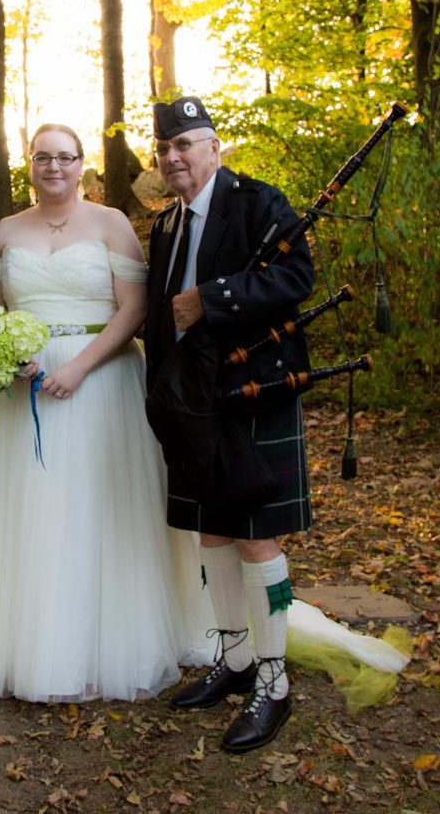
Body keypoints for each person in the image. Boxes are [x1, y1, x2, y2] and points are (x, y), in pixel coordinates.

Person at [0, 123, 212, 704]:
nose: (53, 166)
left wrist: (79, 366)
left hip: (102, 380)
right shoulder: (5, 230)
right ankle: (25, 644)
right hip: (22, 388)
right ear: (29, 165)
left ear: (83, 165)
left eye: (65, 157)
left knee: (98, 509)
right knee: (31, 513)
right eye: (42, 157)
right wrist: (4, 348)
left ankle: (111, 642)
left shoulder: (111, 224)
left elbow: (133, 310)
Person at [144, 95, 316, 753]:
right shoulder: (167, 224)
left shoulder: (260, 203)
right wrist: (161, 396)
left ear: (215, 147)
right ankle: (236, 661)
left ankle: (273, 682)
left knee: (257, 538)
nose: (174, 157)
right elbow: (163, 319)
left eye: (186, 143)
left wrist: (210, 299)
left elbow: (298, 277)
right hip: (191, 399)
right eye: (166, 148)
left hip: (253, 389)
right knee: (210, 534)